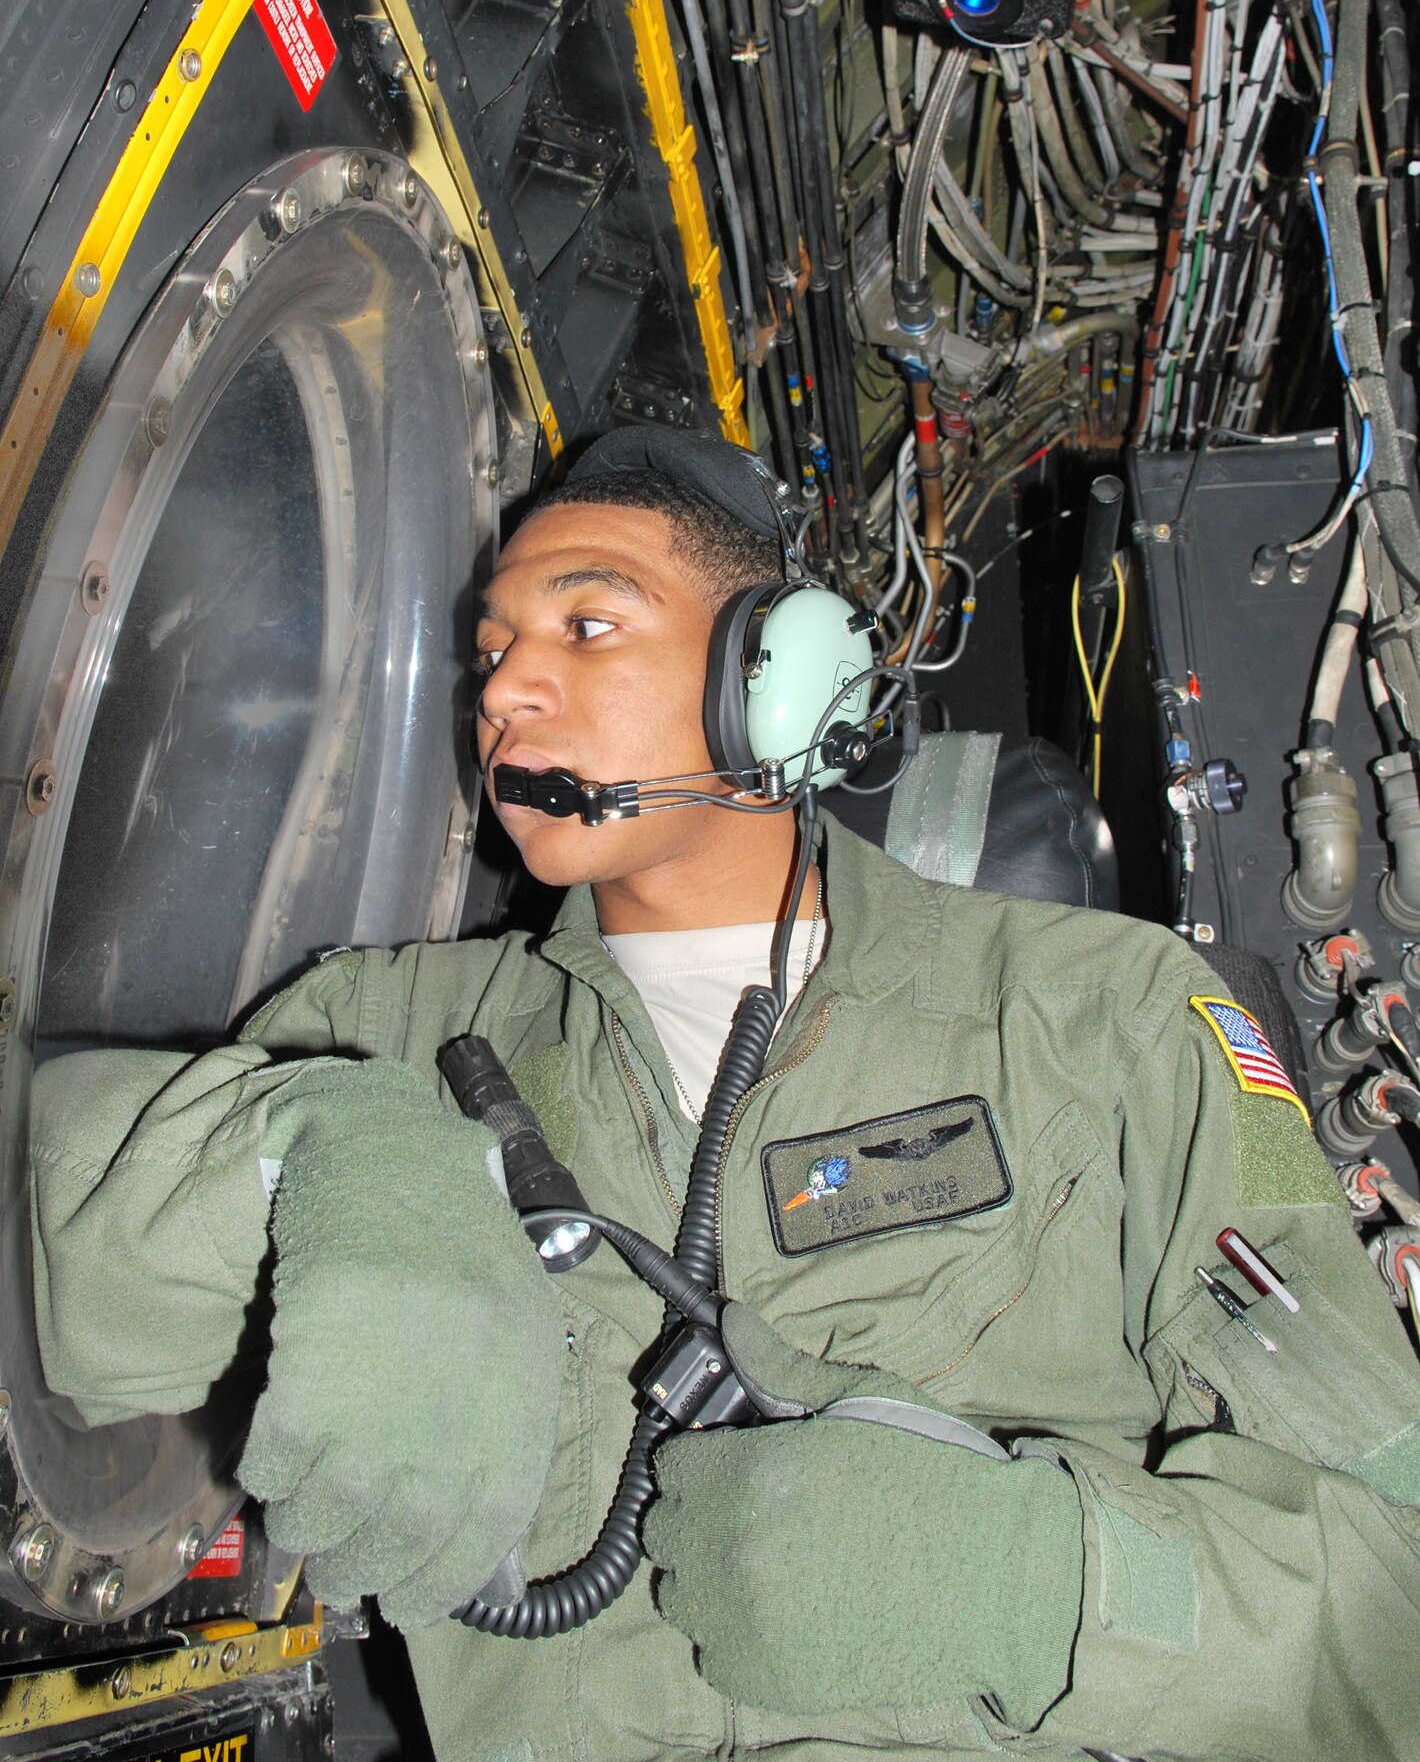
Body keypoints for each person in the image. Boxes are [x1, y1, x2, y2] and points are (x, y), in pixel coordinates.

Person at [29, 428, 1420, 1762]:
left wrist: (1042, 1585)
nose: (506, 688)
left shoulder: (1115, 1015)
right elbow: (67, 1244)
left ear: (782, 678)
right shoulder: (376, 1033)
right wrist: (320, 1149)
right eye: (491, 649)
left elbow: (1392, 1600)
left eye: (587, 626)